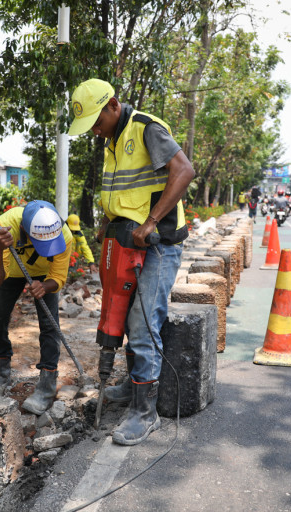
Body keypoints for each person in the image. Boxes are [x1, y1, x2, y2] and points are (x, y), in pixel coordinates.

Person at [68, 78, 194, 446]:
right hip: (124, 240)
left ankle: (145, 411)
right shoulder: (112, 140)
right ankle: (133, 384)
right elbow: (123, 191)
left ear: (113, 105)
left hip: (157, 244)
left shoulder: (145, 128)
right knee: (121, 316)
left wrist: (151, 221)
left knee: (142, 322)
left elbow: (184, 171)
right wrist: (106, 223)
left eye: (97, 122)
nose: (95, 130)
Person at [0, 200, 75, 415]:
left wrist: (45, 286)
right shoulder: (5, 227)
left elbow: (58, 277)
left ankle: (47, 386)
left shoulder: (64, 234)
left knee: (50, 325)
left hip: (44, 274)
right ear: (24, 230)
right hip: (10, 271)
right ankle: (0, 375)